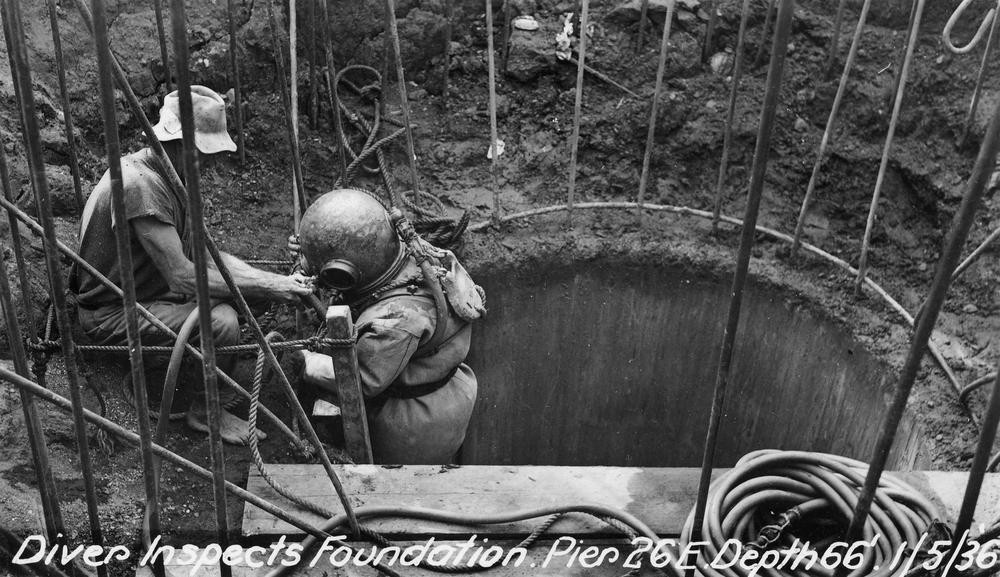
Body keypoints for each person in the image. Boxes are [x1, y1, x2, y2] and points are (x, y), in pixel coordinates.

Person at [73, 86, 313, 445]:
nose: (213, 163)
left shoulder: (170, 178)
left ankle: (187, 362)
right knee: (223, 321)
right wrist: (267, 286)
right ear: (179, 144)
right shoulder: (141, 186)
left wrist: (274, 282)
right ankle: (205, 412)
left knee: (252, 295)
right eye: (206, 152)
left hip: (149, 292)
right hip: (110, 311)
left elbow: (202, 255)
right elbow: (183, 276)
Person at [290, 188, 484, 464]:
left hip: (415, 426)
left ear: (345, 273)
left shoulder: (397, 319)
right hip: (443, 389)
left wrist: (308, 363)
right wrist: (309, 258)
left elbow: (361, 378)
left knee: (400, 483)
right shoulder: (418, 259)